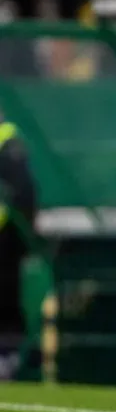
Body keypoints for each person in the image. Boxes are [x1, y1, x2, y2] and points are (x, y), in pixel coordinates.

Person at [0, 113, 37, 380]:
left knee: (6, 295)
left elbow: (23, 193)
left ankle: (7, 356)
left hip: (6, 237)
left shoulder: (8, 144)